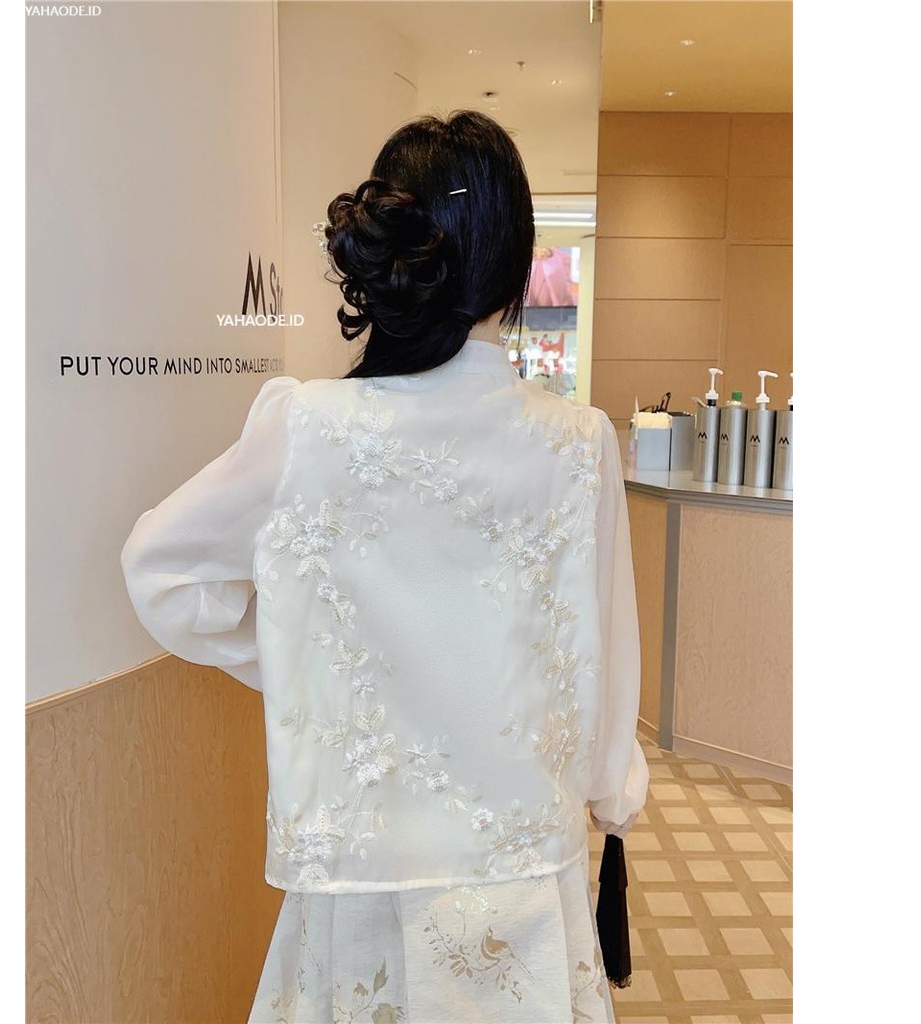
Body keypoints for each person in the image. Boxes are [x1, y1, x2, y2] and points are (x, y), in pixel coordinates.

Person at [121, 109, 647, 1024]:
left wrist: (310, 654)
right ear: (517, 264)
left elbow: (159, 571)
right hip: (527, 873)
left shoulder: (309, 428)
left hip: (360, 876)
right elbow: (605, 657)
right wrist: (612, 795)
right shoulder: (576, 444)